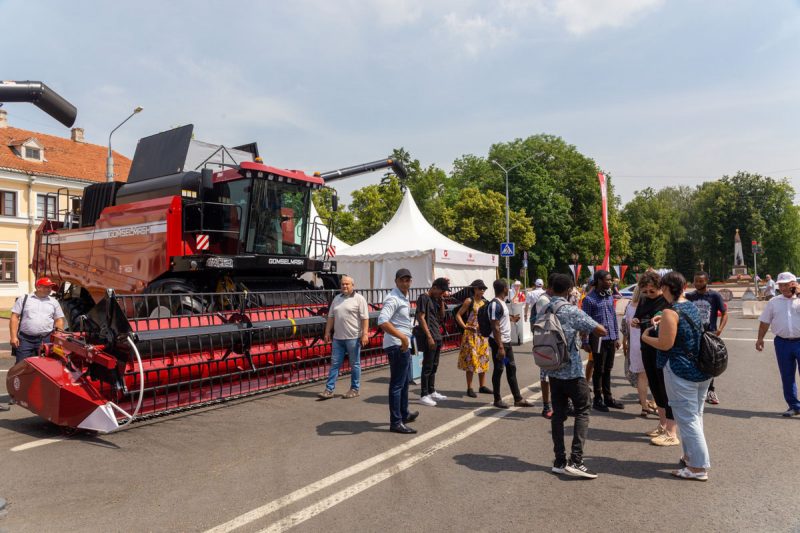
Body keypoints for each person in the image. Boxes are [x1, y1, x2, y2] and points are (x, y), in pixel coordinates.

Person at [641, 271, 712, 481]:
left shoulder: (671, 311)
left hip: (681, 370)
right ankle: (690, 457)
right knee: (695, 415)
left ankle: (698, 467)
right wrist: (662, 319)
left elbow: (665, 344)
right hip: (701, 369)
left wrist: (646, 338)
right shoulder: (689, 305)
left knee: (687, 418)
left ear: (666, 288)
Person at [547, 273, 608, 479]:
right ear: (569, 290)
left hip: (552, 370)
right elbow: (599, 330)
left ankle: (559, 460)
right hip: (572, 370)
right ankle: (576, 460)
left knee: (558, 414)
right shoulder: (571, 310)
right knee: (583, 410)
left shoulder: (543, 308)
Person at [633, 271, 679, 445]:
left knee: (665, 386)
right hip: (646, 346)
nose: (648, 294)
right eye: (645, 291)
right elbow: (638, 317)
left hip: (661, 347)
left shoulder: (666, 301)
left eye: (652, 291)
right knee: (654, 385)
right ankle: (662, 424)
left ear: (660, 288)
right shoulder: (644, 300)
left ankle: (670, 429)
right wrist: (636, 321)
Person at [378, 268, 419, 434]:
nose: (405, 282)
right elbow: (382, 321)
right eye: (402, 280)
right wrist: (402, 337)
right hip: (397, 345)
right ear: (396, 281)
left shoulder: (403, 296)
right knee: (397, 385)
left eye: (408, 280)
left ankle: (403, 413)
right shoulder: (393, 298)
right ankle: (395, 422)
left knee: (403, 384)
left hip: (402, 344)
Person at [755, 271, 800, 417]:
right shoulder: (774, 302)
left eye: (787, 284)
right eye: (781, 285)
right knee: (787, 375)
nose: (784, 288)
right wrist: (760, 338)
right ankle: (794, 406)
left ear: (794, 284)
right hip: (782, 343)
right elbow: (765, 321)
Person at [318, 275, 369, 400]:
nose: (345, 286)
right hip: (338, 339)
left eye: (347, 284)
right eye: (342, 284)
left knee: (354, 364)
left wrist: (365, 334)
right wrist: (327, 332)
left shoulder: (359, 299)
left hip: (353, 338)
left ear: (353, 285)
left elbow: (365, 318)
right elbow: (331, 317)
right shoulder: (337, 298)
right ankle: (329, 390)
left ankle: (354, 389)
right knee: (335, 364)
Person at [581, 270, 623, 411]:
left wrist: (616, 337)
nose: (610, 282)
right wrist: (585, 342)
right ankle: (597, 399)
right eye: (608, 280)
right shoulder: (589, 299)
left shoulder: (609, 297)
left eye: (611, 280)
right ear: (599, 280)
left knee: (608, 369)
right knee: (598, 369)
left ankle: (608, 398)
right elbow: (585, 322)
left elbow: (613, 318)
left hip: (610, 338)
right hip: (597, 339)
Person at [488, 279, 533, 409]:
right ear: (504, 289)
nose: (509, 289)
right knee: (499, 369)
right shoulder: (495, 304)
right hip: (500, 345)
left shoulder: (501, 303)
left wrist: (511, 318)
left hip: (506, 344)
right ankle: (497, 399)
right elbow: (495, 326)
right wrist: (500, 347)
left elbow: (500, 320)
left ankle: (517, 398)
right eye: (507, 288)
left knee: (510, 368)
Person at [685, 271, 728, 405]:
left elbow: (725, 313)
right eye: (695, 281)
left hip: (709, 334)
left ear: (706, 281)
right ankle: (693, 388)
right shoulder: (690, 296)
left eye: (700, 281)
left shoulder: (714, 296)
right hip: (693, 334)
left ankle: (710, 390)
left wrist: (719, 329)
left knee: (710, 362)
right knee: (693, 360)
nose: (697, 283)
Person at [10, 277, 65, 364]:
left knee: (47, 365)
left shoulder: (54, 302)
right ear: (38, 287)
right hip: (25, 340)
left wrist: (58, 338)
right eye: (47, 287)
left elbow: (59, 320)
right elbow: (14, 317)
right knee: (21, 365)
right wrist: (13, 337)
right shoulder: (24, 299)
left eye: (50, 287)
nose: (49, 289)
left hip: (46, 339)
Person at [621, 286, 657, 417]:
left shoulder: (630, 306)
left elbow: (625, 327)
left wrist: (625, 341)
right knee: (655, 376)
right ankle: (655, 403)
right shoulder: (651, 306)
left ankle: (644, 406)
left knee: (642, 377)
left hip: (635, 345)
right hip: (650, 342)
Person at [455, 280, 493, 398]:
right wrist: (465, 326)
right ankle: (469, 388)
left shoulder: (485, 302)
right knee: (470, 361)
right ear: (474, 289)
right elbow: (458, 315)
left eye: (484, 289)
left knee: (483, 360)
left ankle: (482, 386)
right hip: (470, 336)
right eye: (480, 288)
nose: (482, 290)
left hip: (482, 336)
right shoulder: (469, 301)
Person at [415, 277, 449, 407]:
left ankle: (431, 390)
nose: (442, 293)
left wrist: (441, 301)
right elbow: (420, 317)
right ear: (434, 287)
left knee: (434, 365)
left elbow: (442, 316)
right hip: (430, 336)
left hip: (437, 335)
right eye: (441, 291)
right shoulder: (423, 298)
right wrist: (429, 336)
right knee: (427, 366)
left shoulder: (435, 299)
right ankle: (424, 394)